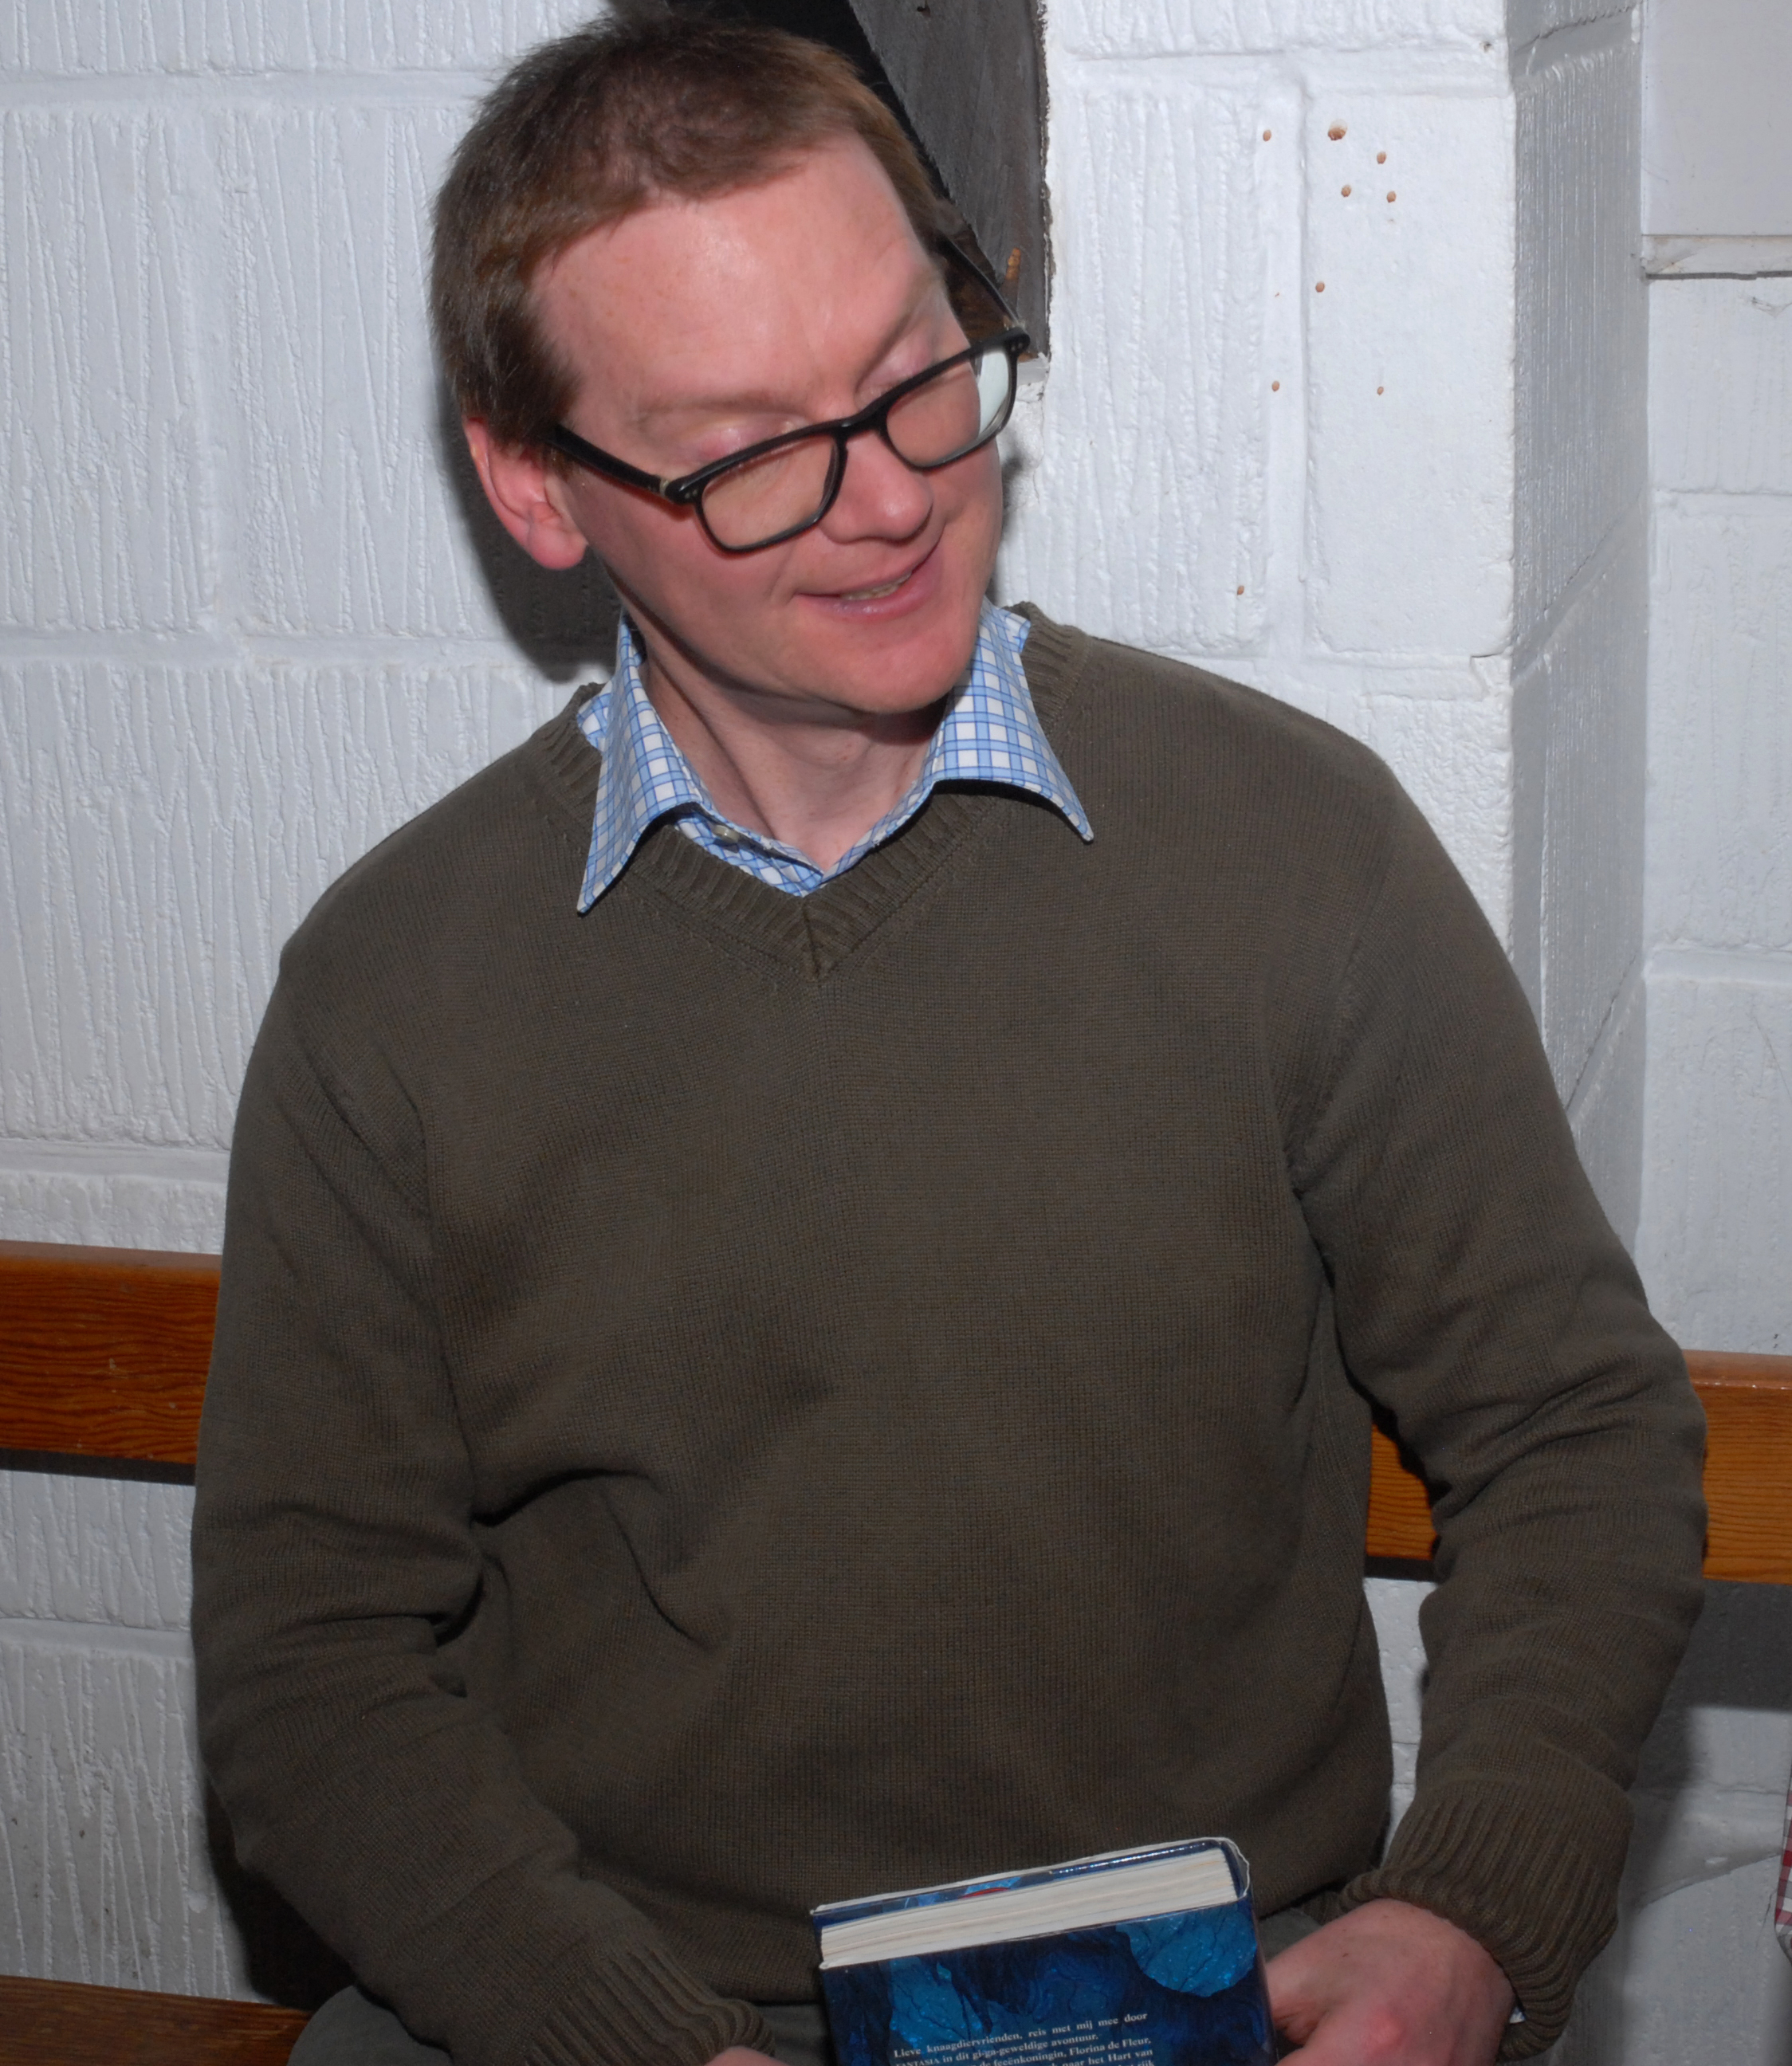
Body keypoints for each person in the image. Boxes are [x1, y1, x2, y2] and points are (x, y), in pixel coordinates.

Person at [190, 15, 1708, 2066]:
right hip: (640, 2008)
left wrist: (1466, 1915)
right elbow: (310, 1668)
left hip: (1228, 1984)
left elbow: (1573, 1430)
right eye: (745, 452)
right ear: (538, 487)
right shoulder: (395, 992)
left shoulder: (1289, 847)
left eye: (916, 376)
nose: (890, 499)